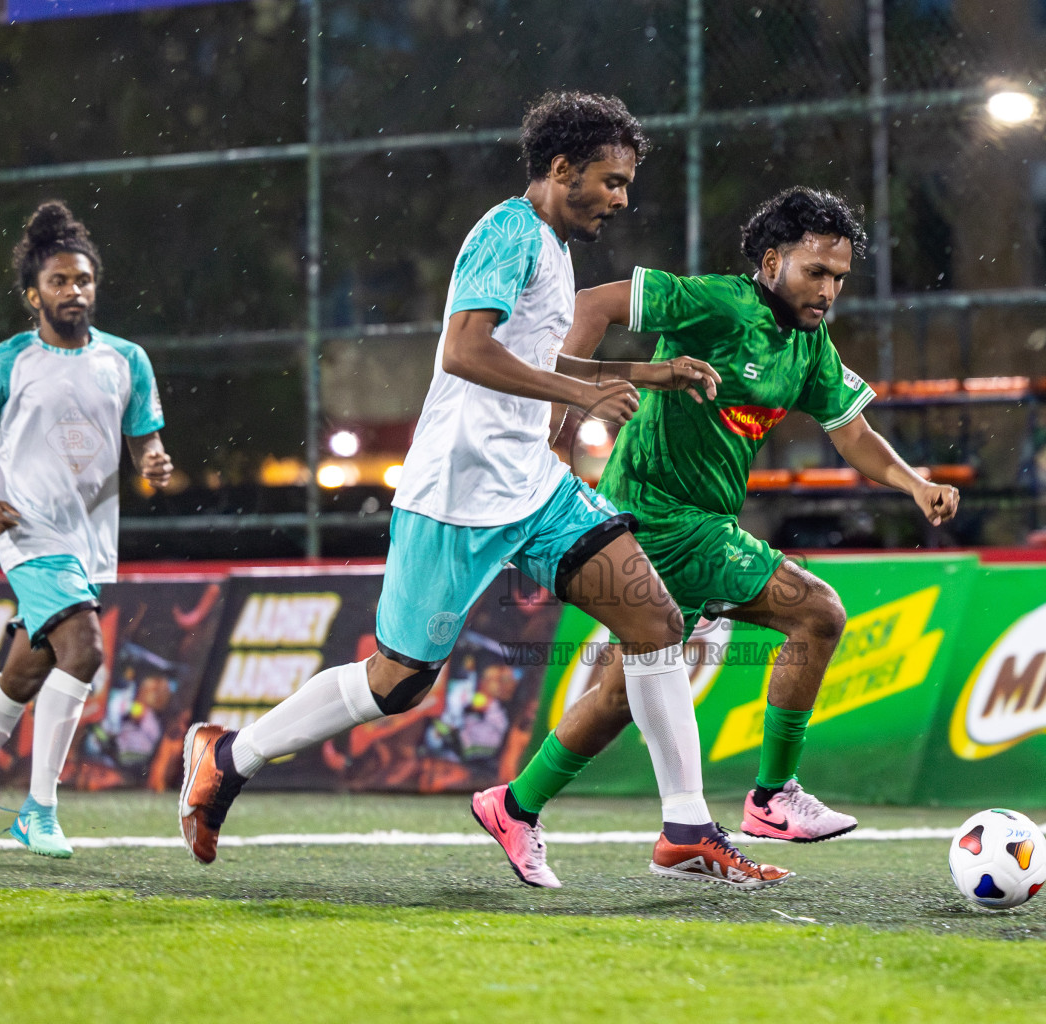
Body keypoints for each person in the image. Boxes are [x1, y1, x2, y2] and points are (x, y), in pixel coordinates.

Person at [177, 92, 791, 891]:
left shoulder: (554, 244)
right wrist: (587, 397)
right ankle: (230, 756)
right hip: (455, 499)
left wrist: (644, 373)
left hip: (533, 489)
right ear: (561, 170)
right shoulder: (507, 232)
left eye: (626, 183)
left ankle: (685, 827)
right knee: (396, 682)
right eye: (610, 180)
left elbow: (534, 356)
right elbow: (464, 352)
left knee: (652, 618)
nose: (622, 198)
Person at [478, 187, 959, 871]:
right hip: (661, 515)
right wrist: (559, 428)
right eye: (815, 273)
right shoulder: (719, 303)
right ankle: (771, 795)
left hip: (685, 521)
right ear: (770, 263)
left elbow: (852, 433)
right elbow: (595, 305)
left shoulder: (809, 345)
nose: (828, 290)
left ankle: (515, 805)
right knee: (818, 613)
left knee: (620, 693)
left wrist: (915, 484)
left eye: (839, 278)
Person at [0, 201, 172, 862]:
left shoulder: (127, 360)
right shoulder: (6, 364)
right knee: (84, 650)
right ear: (34, 295)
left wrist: (154, 462)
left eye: (82, 280)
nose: (73, 291)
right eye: (58, 282)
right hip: (27, 533)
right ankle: (39, 810)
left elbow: (145, 440)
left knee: (25, 674)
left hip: (87, 540)